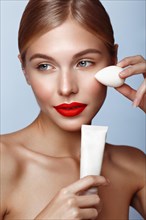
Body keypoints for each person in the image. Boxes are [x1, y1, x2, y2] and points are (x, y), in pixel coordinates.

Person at [1, 0, 146, 219]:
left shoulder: (132, 167)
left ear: (113, 60)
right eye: (45, 66)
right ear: (25, 70)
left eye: (84, 62)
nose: (67, 88)